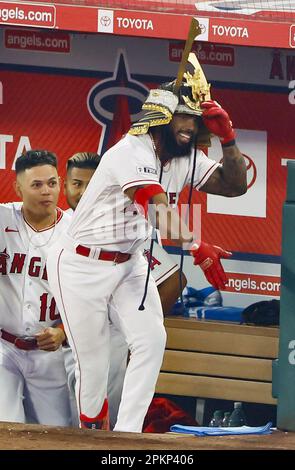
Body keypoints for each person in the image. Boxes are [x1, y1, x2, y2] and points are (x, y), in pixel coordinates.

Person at [47, 63, 246, 433]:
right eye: (182, 118)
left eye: (194, 119)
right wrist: (197, 244)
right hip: (80, 263)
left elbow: (235, 186)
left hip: (129, 263)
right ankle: (91, 435)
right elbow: (156, 204)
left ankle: (127, 436)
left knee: (152, 340)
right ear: (160, 116)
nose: (190, 127)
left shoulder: (185, 155)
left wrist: (229, 139)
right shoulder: (131, 150)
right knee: (93, 368)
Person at [63, 151, 187, 429]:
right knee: (60, 426)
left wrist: (135, 328)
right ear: (65, 185)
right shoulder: (59, 227)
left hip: (109, 338)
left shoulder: (120, 229)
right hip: (59, 347)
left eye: (89, 184)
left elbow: (173, 279)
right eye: (76, 184)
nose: (83, 192)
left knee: (109, 424)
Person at [0, 150, 72, 426]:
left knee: (56, 433)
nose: (47, 191)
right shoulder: (3, 218)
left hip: (50, 352)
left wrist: (63, 333)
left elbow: (91, 298)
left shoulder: (75, 231)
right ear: (18, 188)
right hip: (4, 347)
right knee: (5, 429)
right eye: (37, 185)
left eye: (52, 183)